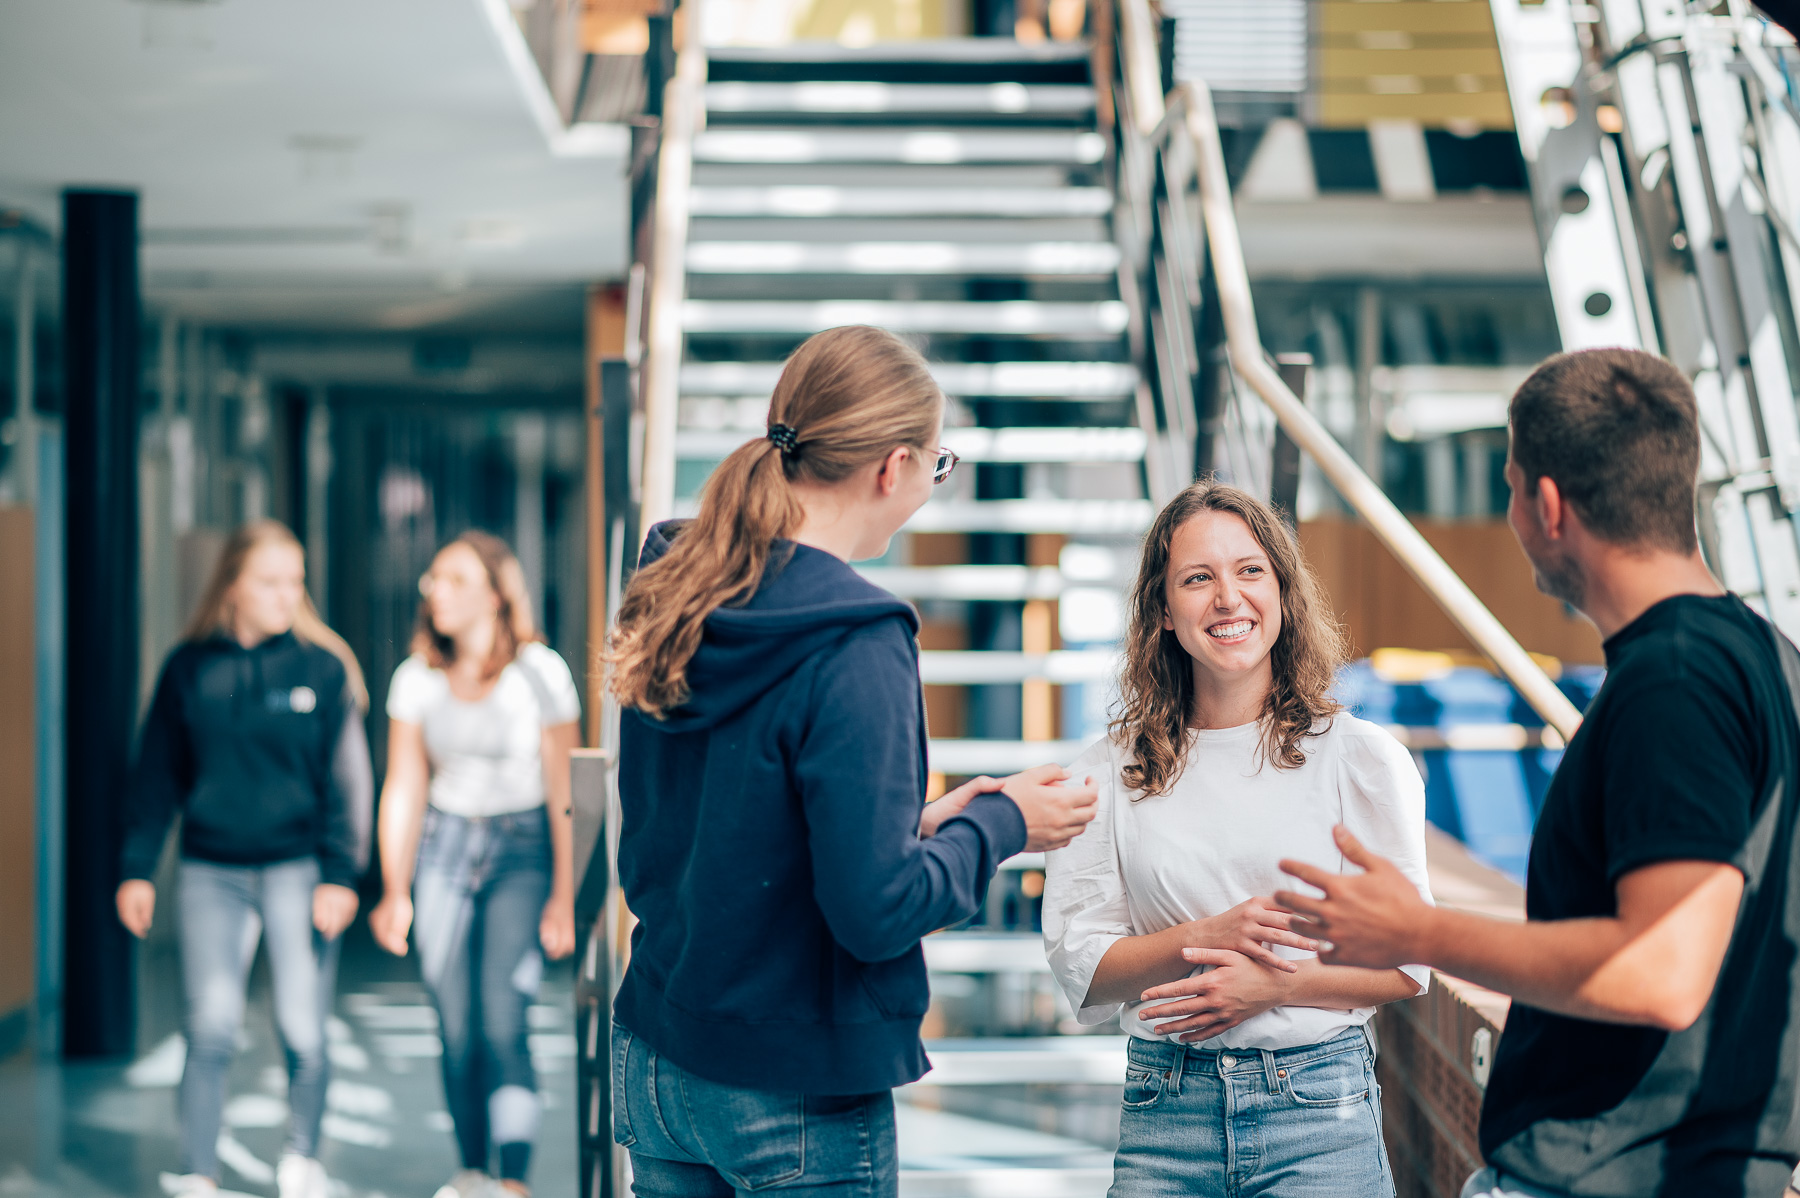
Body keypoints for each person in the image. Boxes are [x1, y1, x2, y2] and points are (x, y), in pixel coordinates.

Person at [1272, 347, 1800, 1198]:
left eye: (1512, 485)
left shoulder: (1673, 683)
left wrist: (1416, 932)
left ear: (1549, 504)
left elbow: (1662, 972)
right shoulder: (1767, 659)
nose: (1513, 512)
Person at [604, 324, 1099, 1198]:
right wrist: (1002, 823)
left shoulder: (673, 582)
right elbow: (877, 912)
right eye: (937, 466)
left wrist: (913, 828)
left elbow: (720, 816)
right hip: (789, 1085)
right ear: (891, 466)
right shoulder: (858, 640)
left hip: (658, 1057)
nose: (929, 489)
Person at [1041, 480, 1431, 1198]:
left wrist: (1279, 985)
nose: (1228, 598)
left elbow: (1409, 965)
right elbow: (1083, 964)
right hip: (1167, 1114)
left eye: (1249, 571)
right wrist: (1208, 937)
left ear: (1282, 591)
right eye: (1198, 578)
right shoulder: (1107, 772)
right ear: (1163, 610)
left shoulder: (1360, 758)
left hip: (1319, 1111)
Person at [117, 520, 374, 1198]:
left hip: (299, 871)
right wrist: (137, 867)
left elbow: (350, 783)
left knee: (302, 1027)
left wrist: (342, 877)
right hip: (212, 871)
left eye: (296, 581)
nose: (287, 595)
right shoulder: (189, 668)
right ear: (233, 584)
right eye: (270, 581)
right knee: (211, 1026)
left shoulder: (323, 670)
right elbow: (155, 775)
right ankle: (198, 1171)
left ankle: (301, 1158)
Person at [368, 531, 581, 1198]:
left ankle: (512, 1181)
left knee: (501, 1013)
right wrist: (394, 889)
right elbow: (403, 787)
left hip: (522, 851)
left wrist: (565, 896)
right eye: (433, 579)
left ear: (495, 593)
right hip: (444, 848)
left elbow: (564, 791)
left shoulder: (540, 672)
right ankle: (470, 1169)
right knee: (454, 1022)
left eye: (454, 579)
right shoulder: (416, 678)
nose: (435, 590)